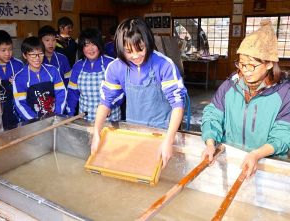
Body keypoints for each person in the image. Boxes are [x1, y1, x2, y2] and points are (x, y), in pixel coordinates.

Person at [90, 17, 187, 168]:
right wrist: (96, 132)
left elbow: (178, 105)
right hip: (134, 130)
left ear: (148, 42)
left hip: (163, 131)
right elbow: (106, 101)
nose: (135, 56)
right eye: (128, 51)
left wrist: (169, 140)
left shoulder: (164, 65)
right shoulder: (116, 67)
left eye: (140, 49)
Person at [201, 20, 290, 179]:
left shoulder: (284, 93)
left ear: (269, 64)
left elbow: (283, 135)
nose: (245, 71)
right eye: (241, 64)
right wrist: (210, 142)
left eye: (251, 65)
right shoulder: (230, 86)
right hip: (230, 160)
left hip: (265, 164)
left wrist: (256, 154)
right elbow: (213, 115)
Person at [66, 28, 120, 121]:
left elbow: (120, 91)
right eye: (86, 45)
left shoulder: (111, 64)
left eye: (94, 44)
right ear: (82, 48)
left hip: (109, 119)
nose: (90, 49)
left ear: (99, 45)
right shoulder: (78, 66)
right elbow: (72, 93)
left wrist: (110, 106)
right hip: (86, 118)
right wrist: (70, 114)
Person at [13, 37, 67, 121]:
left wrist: (57, 114)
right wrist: (35, 120)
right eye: (33, 54)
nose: (37, 58)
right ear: (24, 55)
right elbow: (20, 103)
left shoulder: (52, 70)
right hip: (33, 122)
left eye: (40, 53)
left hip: (54, 117)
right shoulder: (20, 77)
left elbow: (61, 93)